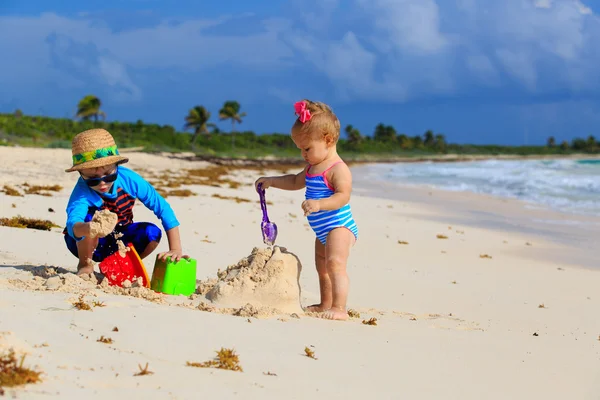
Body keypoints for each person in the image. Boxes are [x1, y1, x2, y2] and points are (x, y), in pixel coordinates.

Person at [255, 100, 358, 320]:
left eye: (307, 148)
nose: (303, 154)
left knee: (335, 264)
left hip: (339, 227)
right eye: (301, 149)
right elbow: (294, 181)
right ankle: (325, 303)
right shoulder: (312, 168)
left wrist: (320, 204)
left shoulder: (337, 169)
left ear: (327, 140)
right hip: (322, 230)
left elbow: (343, 196)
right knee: (322, 268)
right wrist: (271, 181)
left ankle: (339, 308)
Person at [63, 128, 187, 277]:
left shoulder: (130, 180)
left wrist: (175, 249)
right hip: (84, 245)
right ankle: (85, 265)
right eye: (93, 179)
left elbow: (163, 208)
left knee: (152, 233)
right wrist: (88, 228)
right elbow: (73, 225)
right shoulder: (81, 193)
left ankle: (122, 265)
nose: (102, 183)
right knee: (87, 219)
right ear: (81, 174)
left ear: (117, 166)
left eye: (108, 176)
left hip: (120, 237)